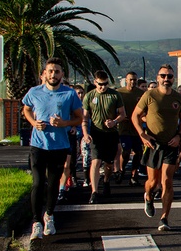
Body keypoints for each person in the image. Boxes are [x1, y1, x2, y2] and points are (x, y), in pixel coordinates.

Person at [22, 58, 84, 239]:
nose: (53, 74)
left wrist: (64, 123)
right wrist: (34, 123)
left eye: (57, 71)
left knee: (54, 183)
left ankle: (49, 215)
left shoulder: (69, 94)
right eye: (50, 71)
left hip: (60, 145)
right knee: (38, 182)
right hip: (38, 145)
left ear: (62, 75)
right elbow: (26, 109)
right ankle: (36, 222)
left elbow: (79, 118)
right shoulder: (34, 92)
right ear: (44, 74)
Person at [131, 64, 181, 231]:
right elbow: (135, 115)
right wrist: (143, 134)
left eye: (169, 76)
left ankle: (164, 218)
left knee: (167, 181)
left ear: (173, 78)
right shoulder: (149, 95)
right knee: (153, 181)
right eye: (163, 76)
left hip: (171, 144)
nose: (166, 79)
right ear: (157, 77)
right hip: (153, 144)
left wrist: (179, 136)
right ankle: (148, 196)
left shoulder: (178, 98)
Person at [81, 70, 126, 204]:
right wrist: (85, 132)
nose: (103, 87)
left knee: (108, 163)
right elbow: (84, 117)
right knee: (95, 161)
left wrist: (114, 122)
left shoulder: (115, 95)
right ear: (95, 82)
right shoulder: (89, 96)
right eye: (100, 84)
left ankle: (106, 181)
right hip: (96, 133)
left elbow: (122, 114)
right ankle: (94, 191)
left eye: (105, 84)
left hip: (111, 133)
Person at [58, 83, 86, 202]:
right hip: (54, 136)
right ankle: (56, 186)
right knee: (55, 165)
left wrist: (74, 126)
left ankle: (62, 189)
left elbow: (79, 118)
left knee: (67, 163)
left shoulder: (73, 103)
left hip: (69, 135)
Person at [116, 72, 145, 186]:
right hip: (124, 128)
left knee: (138, 152)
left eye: (135, 80)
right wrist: (119, 118)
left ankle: (134, 175)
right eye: (131, 80)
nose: (133, 82)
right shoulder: (119, 93)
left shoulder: (141, 94)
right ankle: (121, 171)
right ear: (126, 80)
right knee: (126, 151)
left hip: (137, 128)